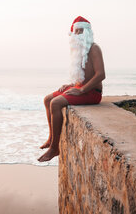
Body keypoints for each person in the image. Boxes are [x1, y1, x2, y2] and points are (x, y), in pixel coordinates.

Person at [38, 16, 105, 162]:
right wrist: (71, 85)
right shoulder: (78, 51)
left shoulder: (94, 48)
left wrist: (81, 90)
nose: (78, 35)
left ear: (88, 33)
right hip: (80, 88)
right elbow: (82, 76)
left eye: (81, 32)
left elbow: (100, 75)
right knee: (48, 99)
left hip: (92, 93)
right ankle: (51, 138)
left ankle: (55, 148)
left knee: (55, 103)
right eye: (76, 32)